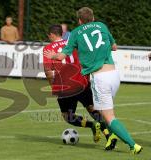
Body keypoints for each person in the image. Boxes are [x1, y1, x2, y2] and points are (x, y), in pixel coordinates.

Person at [44, 7, 142, 154]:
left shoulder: (76, 33)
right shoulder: (102, 26)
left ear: (79, 20)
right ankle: (109, 134)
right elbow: (114, 47)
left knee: (108, 117)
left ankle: (132, 145)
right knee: (99, 111)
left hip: (98, 78)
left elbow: (61, 57)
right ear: (93, 18)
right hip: (114, 75)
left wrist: (52, 56)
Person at [43, 24, 117, 149]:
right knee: (93, 109)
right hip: (81, 81)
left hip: (65, 86)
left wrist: (53, 86)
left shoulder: (48, 49)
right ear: (62, 33)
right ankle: (108, 136)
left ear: (51, 35)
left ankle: (91, 125)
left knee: (68, 116)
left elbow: (48, 71)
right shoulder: (73, 42)